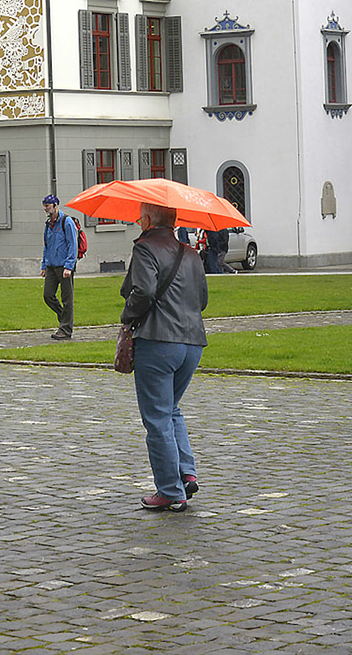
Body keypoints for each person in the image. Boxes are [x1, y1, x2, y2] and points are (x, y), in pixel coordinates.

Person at [120, 207, 208, 511]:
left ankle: (170, 491)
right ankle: (186, 472)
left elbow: (142, 292)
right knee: (171, 410)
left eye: (139, 216)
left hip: (158, 341)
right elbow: (203, 300)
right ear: (175, 221)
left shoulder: (145, 248)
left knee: (157, 417)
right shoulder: (191, 253)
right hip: (192, 342)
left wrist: (127, 314)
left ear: (146, 220)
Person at [39, 194, 80, 340]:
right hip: (51, 266)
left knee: (67, 298)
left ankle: (65, 330)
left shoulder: (66, 222)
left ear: (56, 206)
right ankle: (65, 319)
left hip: (64, 267)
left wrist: (69, 266)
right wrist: (44, 265)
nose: (45, 209)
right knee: (48, 295)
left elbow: (72, 245)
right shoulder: (48, 224)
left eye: (47, 206)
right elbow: (47, 245)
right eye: (44, 205)